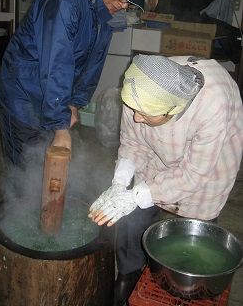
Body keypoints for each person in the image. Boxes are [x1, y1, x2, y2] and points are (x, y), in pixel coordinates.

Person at [89, 54, 243, 306]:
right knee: (133, 214)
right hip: (161, 141)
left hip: (208, 157)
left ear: (173, 109)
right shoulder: (139, 88)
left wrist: (137, 195)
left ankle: (191, 277)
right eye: (134, 110)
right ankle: (129, 275)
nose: (136, 118)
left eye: (145, 114)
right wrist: (121, 183)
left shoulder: (213, 105)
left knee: (197, 217)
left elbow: (194, 173)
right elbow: (132, 142)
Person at [0, 0, 158, 168]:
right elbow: (56, 64)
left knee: (46, 168)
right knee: (24, 171)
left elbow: (94, 61)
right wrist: (60, 126)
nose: (122, 5)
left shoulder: (106, 11)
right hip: (23, 96)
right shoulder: (65, 0)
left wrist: (75, 103)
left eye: (130, 2)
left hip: (51, 97)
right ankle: (14, 202)